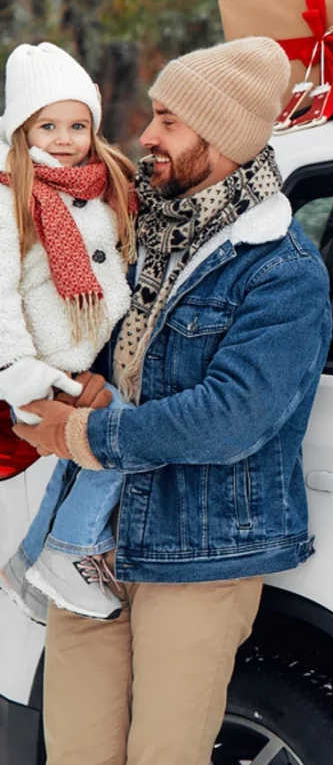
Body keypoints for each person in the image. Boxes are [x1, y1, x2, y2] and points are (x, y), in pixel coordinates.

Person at [14, 36, 333, 765]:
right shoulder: (134, 230)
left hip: (196, 554)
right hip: (87, 542)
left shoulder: (279, 270)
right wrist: (80, 383)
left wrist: (84, 436)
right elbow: (90, 341)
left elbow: (233, 417)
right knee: (75, 753)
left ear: (221, 136)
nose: (146, 136)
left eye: (168, 120)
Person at [0, 41, 136, 623]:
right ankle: (68, 547)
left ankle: (27, 565)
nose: (63, 138)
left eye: (77, 124)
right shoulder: (12, 197)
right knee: (128, 433)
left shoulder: (104, 184)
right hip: (42, 366)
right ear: (22, 130)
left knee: (83, 453)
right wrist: (18, 372)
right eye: (48, 124)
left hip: (88, 355)